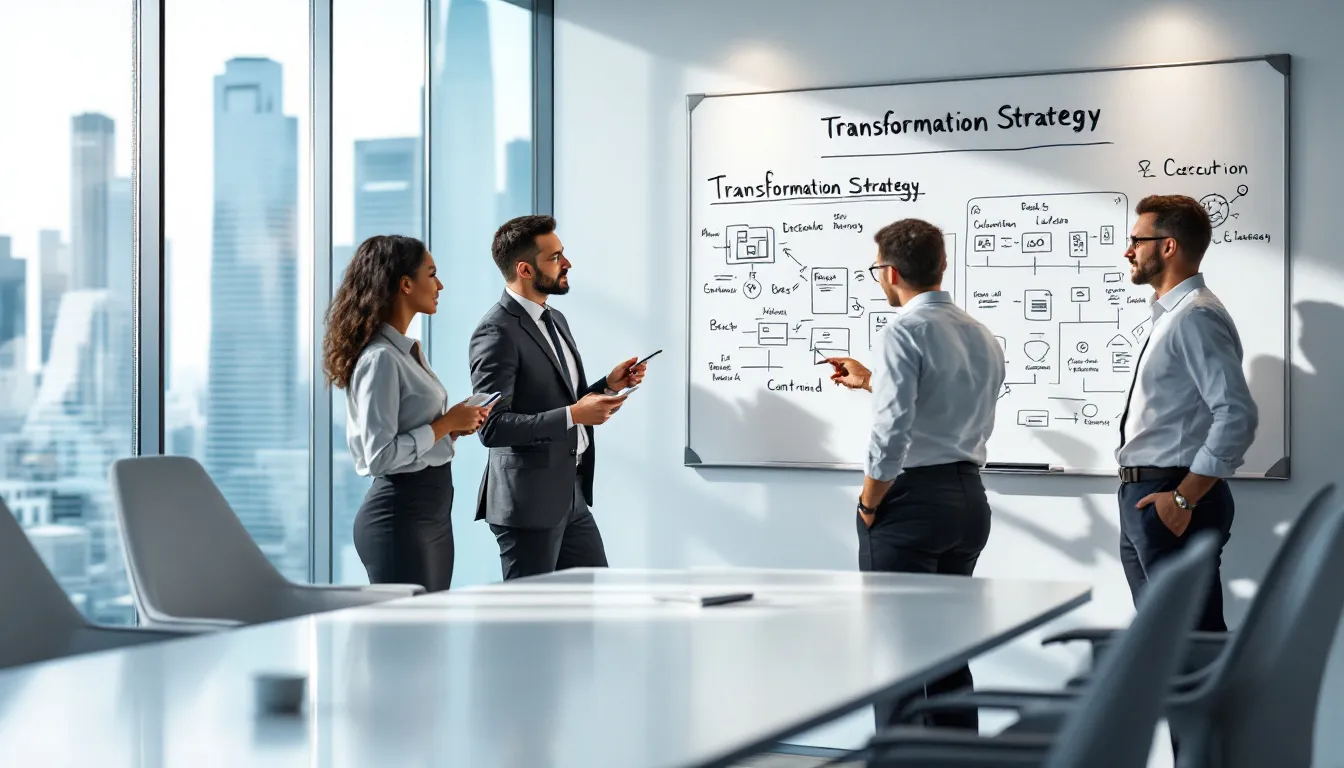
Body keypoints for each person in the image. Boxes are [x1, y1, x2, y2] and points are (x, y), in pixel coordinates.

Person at [825, 217, 1006, 731]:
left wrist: (868, 502)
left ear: (890, 272)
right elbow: (938, 404)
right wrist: (871, 381)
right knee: (948, 653)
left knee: (895, 659)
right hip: (969, 501)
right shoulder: (980, 333)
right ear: (941, 265)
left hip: (911, 504)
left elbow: (893, 429)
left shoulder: (903, 330)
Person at [468, 214, 647, 579]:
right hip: (527, 506)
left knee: (590, 605)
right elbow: (493, 427)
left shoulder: (556, 320)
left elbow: (565, 400)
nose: (567, 263)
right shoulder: (496, 332)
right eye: (554, 257)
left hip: (571, 494)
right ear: (525, 269)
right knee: (531, 624)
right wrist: (575, 415)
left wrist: (608, 386)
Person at [1115, 194, 1257, 633]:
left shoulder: (1194, 317)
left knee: (1188, 644)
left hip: (1173, 495)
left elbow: (1236, 413)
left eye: (1136, 240)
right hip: (1149, 496)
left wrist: (1182, 498)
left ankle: (1213, 707)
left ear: (1168, 246)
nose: (1127, 250)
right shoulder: (1171, 316)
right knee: (1164, 646)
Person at [323, 235, 492, 592]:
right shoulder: (381, 359)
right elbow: (380, 456)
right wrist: (445, 423)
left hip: (430, 515)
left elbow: (412, 433)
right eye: (432, 274)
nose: (440, 284)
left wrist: (452, 428)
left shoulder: (405, 352)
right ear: (405, 284)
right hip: (400, 518)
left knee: (427, 636)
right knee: (410, 641)